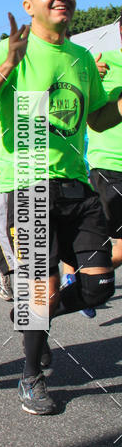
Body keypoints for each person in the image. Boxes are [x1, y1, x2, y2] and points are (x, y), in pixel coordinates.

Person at [0, 0, 122, 415]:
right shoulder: (12, 50)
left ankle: (32, 317)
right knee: (41, 290)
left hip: (76, 186)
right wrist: (8, 65)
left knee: (98, 288)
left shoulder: (83, 58)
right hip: (28, 187)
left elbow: (96, 120)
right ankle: (31, 376)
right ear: (29, 6)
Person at [87, 20, 122, 271]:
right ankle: (85, 279)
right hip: (110, 166)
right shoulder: (100, 62)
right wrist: (88, 77)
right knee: (120, 247)